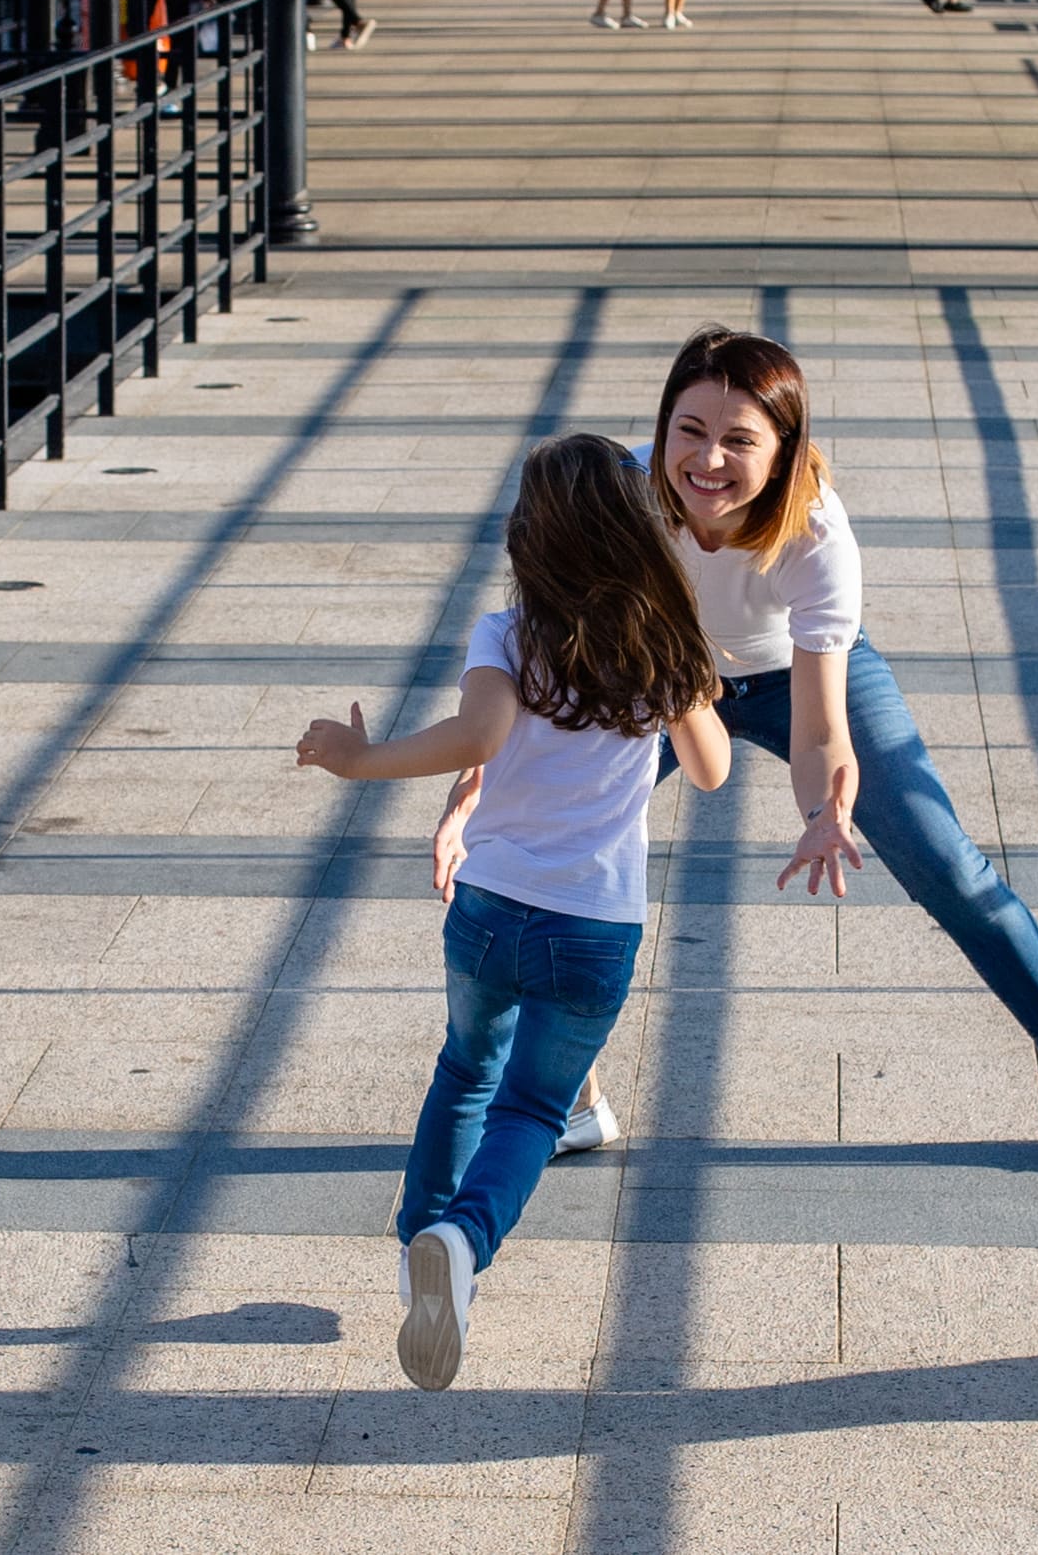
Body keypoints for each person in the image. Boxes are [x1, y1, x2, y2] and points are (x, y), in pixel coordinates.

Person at [436, 328, 1038, 1182]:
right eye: (688, 429)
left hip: (795, 671)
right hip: (660, 670)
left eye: (739, 440)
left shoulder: (815, 529)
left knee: (949, 865)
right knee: (537, 854)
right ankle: (574, 1100)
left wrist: (826, 808)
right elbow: (541, 651)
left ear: (784, 450)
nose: (706, 459)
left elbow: (822, 722)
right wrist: (480, 778)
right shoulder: (625, 498)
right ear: (663, 424)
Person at [298, 434, 734, 1392]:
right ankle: (462, 1241)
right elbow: (710, 770)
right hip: (595, 926)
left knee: (464, 1069)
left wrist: (358, 758)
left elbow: (480, 733)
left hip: (491, 907)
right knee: (536, 1104)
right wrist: (688, 675)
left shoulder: (508, 633)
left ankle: (423, 1238)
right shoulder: (667, 643)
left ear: (532, 540)